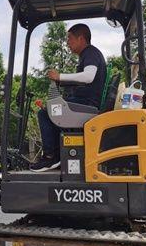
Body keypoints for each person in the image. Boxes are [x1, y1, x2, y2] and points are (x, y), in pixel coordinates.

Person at [30, 23, 106, 172]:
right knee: (51, 110)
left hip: (87, 104)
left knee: (46, 113)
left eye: (70, 39)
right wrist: (61, 80)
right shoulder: (87, 55)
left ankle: (51, 157)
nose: (67, 43)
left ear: (81, 38)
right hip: (84, 103)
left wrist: (60, 76)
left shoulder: (91, 52)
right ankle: (58, 156)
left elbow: (88, 77)